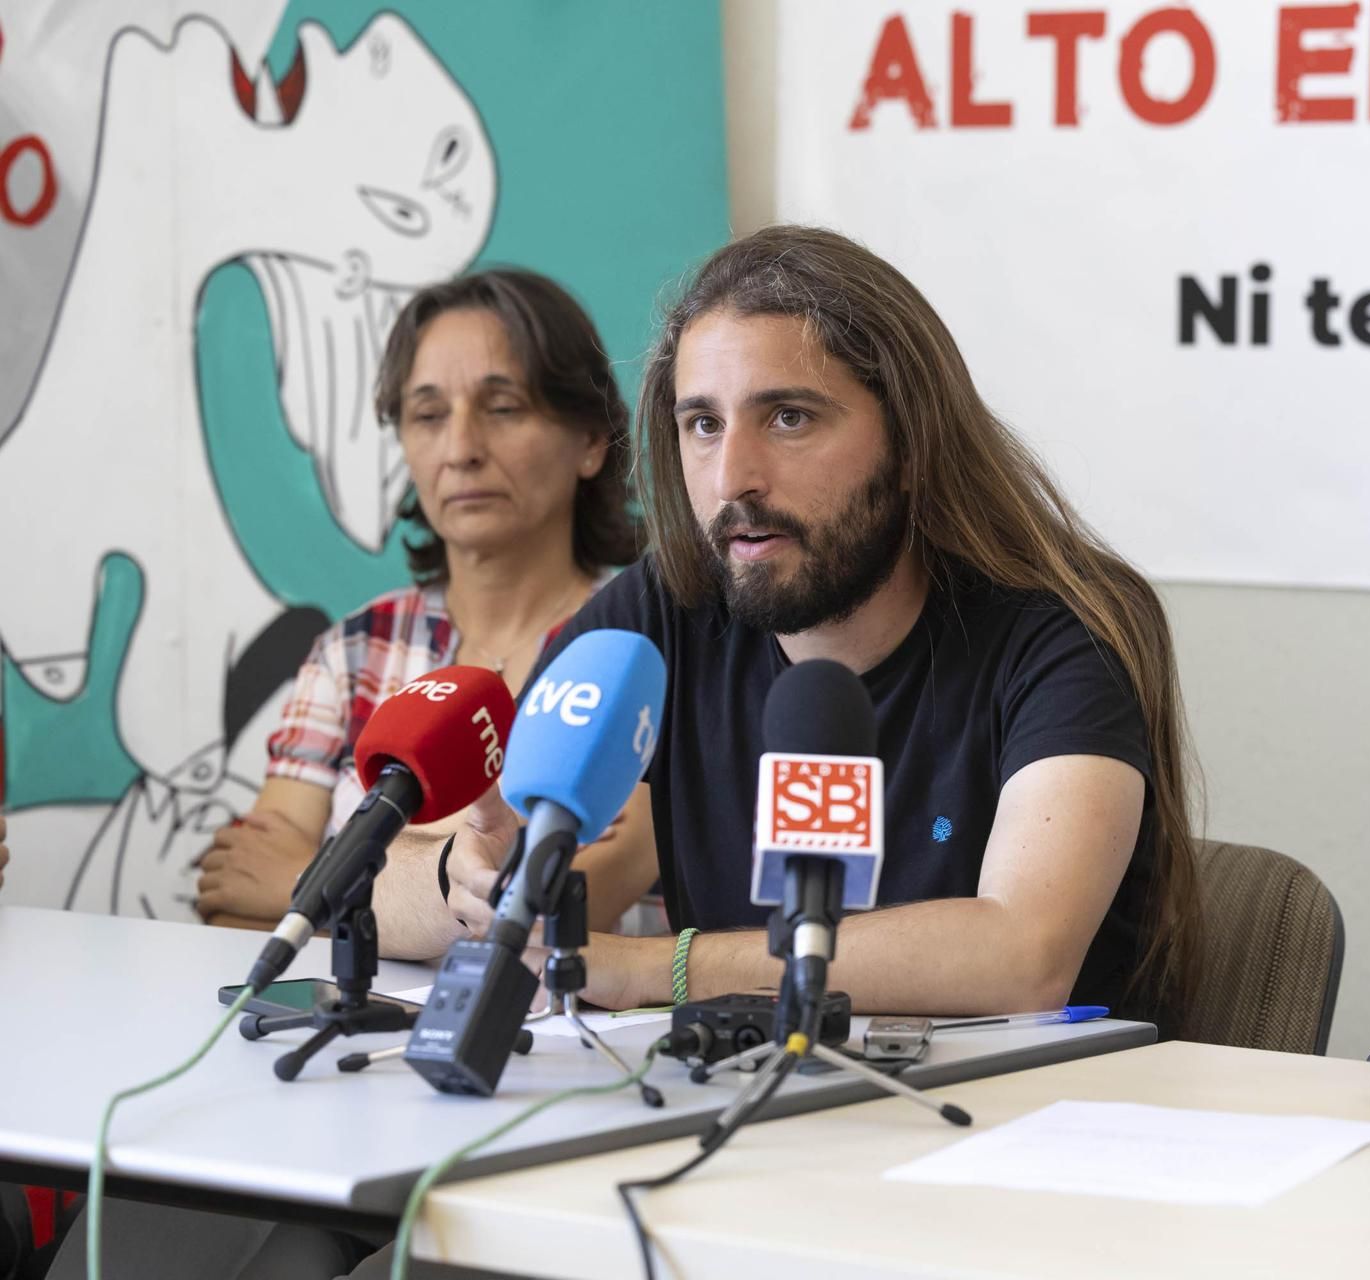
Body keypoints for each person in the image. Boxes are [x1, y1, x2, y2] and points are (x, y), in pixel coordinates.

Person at [376, 225, 1202, 1031]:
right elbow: (396, 883)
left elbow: (1024, 956)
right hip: (752, 1107)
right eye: (703, 424)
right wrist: (462, 875)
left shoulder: (1059, 631)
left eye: (789, 418)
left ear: (912, 441)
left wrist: (653, 968)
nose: (734, 476)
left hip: (1024, 1129)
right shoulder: (664, 611)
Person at [194, 268, 650, 936]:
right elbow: (235, 895)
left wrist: (305, 882)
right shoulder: (354, 647)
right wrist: (425, 891)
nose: (461, 450)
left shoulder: (645, 643)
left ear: (590, 442)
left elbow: (551, 908)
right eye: (429, 415)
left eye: (502, 408)